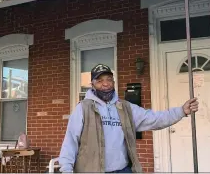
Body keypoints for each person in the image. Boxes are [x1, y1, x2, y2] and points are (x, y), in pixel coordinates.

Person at [59, 64, 199, 173]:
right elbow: (70, 141)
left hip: (123, 170)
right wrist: (66, 169)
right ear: (92, 85)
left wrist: (181, 111)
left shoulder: (126, 108)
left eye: (108, 79)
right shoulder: (83, 108)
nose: (105, 84)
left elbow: (154, 119)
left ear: (113, 82)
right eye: (100, 81)